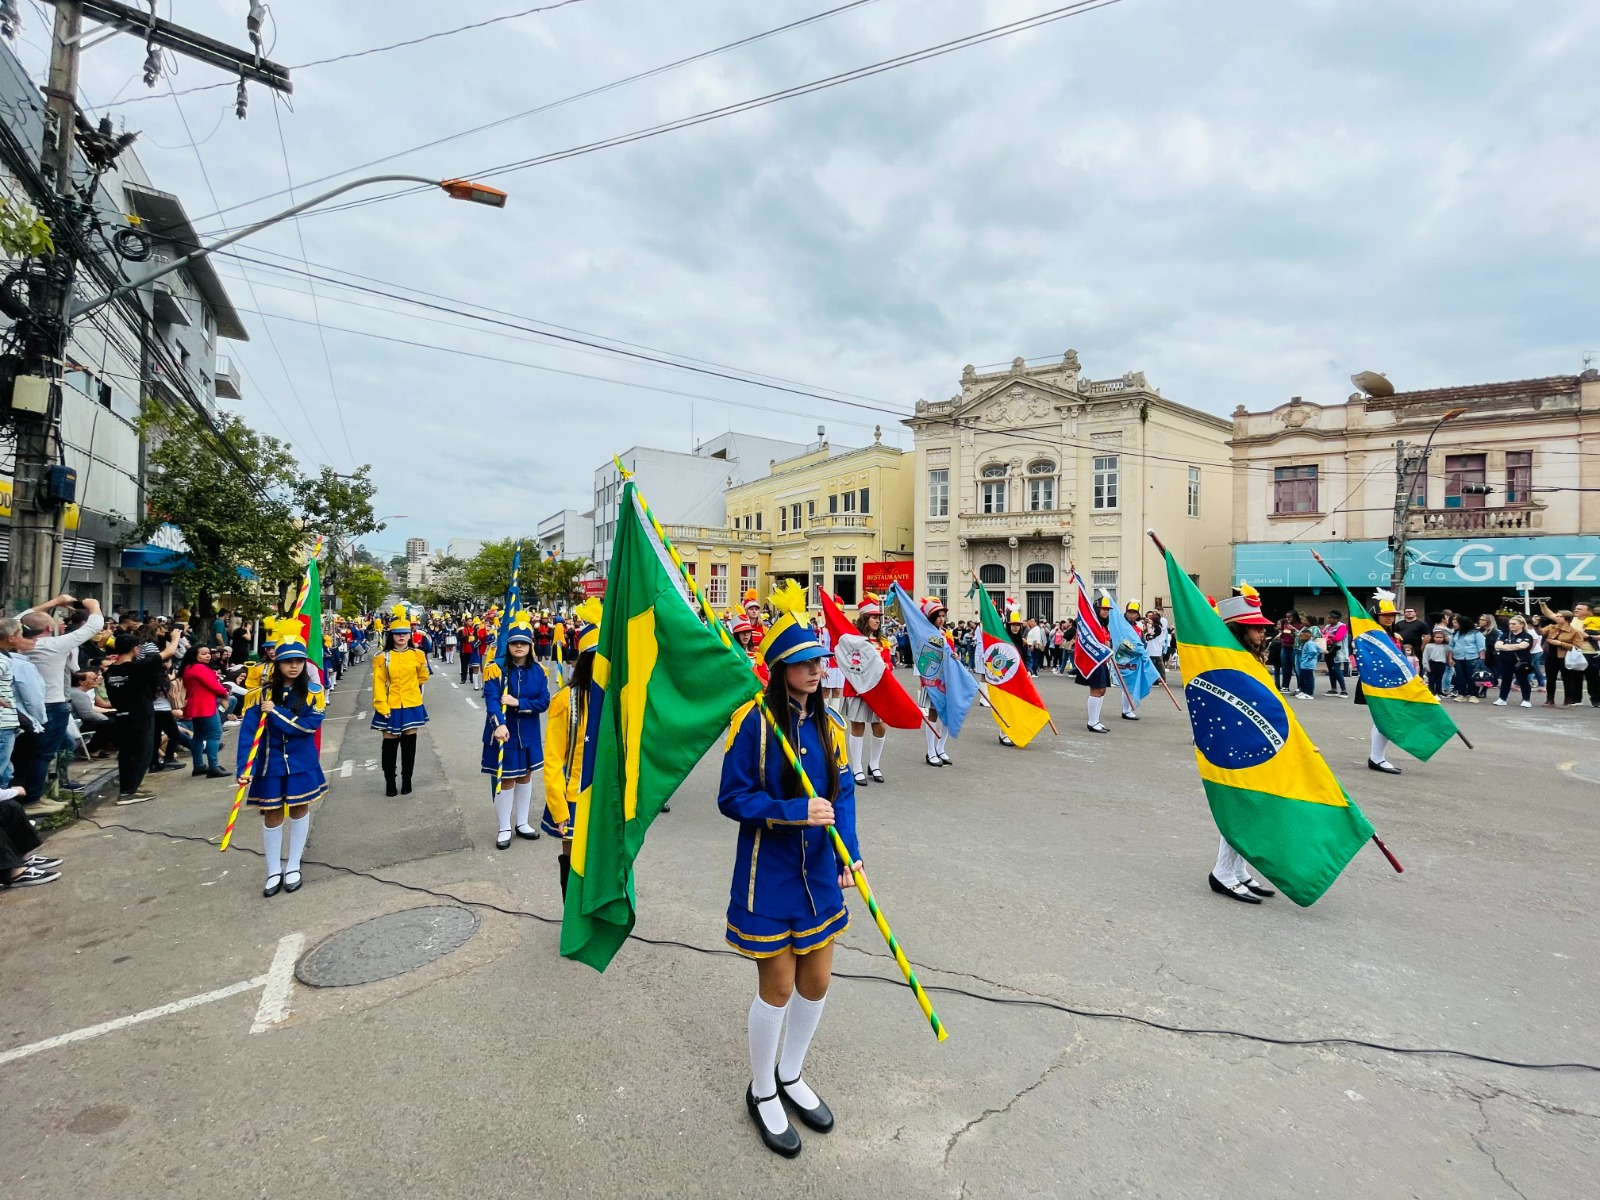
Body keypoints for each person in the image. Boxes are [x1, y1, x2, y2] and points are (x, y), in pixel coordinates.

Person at [718, 604, 860, 1157]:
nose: (816, 670)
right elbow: (731, 798)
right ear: (779, 669)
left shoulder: (831, 724)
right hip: (767, 873)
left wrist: (851, 854)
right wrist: (790, 810)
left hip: (820, 872)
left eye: (819, 661)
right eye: (803, 664)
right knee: (776, 987)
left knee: (817, 981)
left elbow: (842, 793)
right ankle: (761, 1091)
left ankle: (792, 1073)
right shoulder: (753, 722)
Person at [236, 630, 326, 897]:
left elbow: (307, 727)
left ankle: (294, 864)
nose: (294, 666)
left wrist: (276, 711)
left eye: (298, 660)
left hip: (301, 762)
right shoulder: (259, 694)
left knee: (299, 809)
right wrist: (244, 769)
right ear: (278, 663)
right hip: (269, 764)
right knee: (273, 814)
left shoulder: (313, 693)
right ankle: (274, 869)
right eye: (288, 661)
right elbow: (248, 733)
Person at [1208, 585, 1278, 905]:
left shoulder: (1251, 658)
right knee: (1242, 808)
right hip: (1236, 743)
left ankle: (1238, 869)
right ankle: (1223, 872)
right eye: (1255, 628)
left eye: (1262, 628)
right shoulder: (1228, 660)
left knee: (1251, 809)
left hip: (1258, 740)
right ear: (1238, 629)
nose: (1262, 633)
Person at [19, 595, 104, 805]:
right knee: (44, 753)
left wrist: (54, 603)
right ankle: (35, 798)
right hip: (53, 704)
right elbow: (95, 624)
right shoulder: (54, 644)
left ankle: (50, 785)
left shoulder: (18, 644)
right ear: (48, 628)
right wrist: (92, 604)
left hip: (24, 706)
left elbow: (17, 619)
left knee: (58, 745)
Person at [544, 598, 601, 897]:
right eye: (599, 658)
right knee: (572, 861)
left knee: (601, 862)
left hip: (606, 795)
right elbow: (553, 760)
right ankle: (573, 924)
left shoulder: (617, 700)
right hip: (573, 796)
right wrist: (558, 806)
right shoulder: (565, 701)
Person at [481, 611, 551, 849]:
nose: (519, 646)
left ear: (530, 645)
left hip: (529, 733)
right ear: (508, 645)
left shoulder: (540, 671)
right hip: (504, 732)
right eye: (514, 643)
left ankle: (522, 823)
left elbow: (544, 702)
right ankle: (504, 827)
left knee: (525, 775)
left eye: (523, 643)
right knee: (507, 778)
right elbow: (491, 699)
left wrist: (519, 703)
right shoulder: (496, 668)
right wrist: (498, 723)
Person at [101, 629, 181, 804]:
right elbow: (168, 652)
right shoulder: (137, 667)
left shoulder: (110, 671)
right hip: (140, 715)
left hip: (121, 715)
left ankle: (128, 788)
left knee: (127, 754)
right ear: (135, 649)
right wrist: (175, 638)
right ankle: (128, 792)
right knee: (141, 753)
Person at [372, 606, 430, 796]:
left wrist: (411, 688)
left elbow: (423, 676)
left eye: (405, 633)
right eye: (397, 634)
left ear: (410, 634)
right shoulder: (382, 657)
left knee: (409, 746)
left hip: (412, 703)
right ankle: (390, 781)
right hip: (389, 704)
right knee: (389, 746)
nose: (401, 637)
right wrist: (381, 704)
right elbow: (378, 682)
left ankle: (407, 779)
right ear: (391, 636)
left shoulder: (418, 655)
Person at [839, 594, 892, 785]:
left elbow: (888, 663)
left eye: (879, 617)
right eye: (873, 617)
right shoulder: (854, 640)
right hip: (857, 689)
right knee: (858, 726)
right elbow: (848, 662)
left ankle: (874, 765)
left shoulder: (883, 642)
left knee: (880, 726)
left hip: (878, 691)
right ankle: (857, 768)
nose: (877, 620)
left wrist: (887, 667)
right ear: (864, 619)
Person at [1354, 590, 1406, 775]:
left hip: (1395, 683)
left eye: (1392, 615)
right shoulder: (1368, 636)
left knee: (1385, 719)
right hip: (1376, 682)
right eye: (1385, 615)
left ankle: (1377, 757)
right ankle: (1377, 758)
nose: (1390, 618)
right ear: (1376, 616)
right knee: (1384, 719)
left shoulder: (1394, 636)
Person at [180, 645, 233, 777]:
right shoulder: (199, 668)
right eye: (203, 654)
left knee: (198, 736)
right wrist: (225, 693)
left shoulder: (189, 667)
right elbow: (214, 685)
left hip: (195, 705)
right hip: (205, 705)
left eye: (208, 653)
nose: (208, 655)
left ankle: (198, 765)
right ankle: (214, 767)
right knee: (214, 734)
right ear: (195, 655)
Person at [917, 596, 954, 766]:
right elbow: (922, 656)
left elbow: (951, 653)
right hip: (933, 679)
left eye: (943, 616)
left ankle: (941, 748)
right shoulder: (925, 633)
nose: (942, 619)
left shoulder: (946, 633)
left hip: (947, 679)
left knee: (947, 714)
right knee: (933, 713)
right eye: (938, 616)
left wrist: (954, 655)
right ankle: (930, 751)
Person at [1492, 616, 1534, 707]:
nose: (1511, 625)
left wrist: (1506, 646)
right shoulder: (1505, 635)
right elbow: (1497, 645)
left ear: (1521, 625)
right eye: (1510, 624)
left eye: (1514, 624)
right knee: (1505, 679)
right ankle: (1502, 698)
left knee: (1522, 680)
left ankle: (1526, 699)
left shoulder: (1527, 636)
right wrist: (1513, 646)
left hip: (1521, 661)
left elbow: (1522, 646)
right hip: (1505, 660)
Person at [1448, 614, 1486, 703]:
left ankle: (1473, 695)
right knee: (1460, 676)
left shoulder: (1476, 633)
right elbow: (1451, 647)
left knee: (1472, 677)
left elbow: (1481, 647)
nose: (1455, 624)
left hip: (1473, 657)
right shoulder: (1455, 634)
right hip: (1458, 657)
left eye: (1457, 623)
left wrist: (1482, 659)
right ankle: (1461, 694)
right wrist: (1450, 658)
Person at [732, 617, 770, 686]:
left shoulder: (757, 656)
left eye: (748, 631)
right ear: (737, 635)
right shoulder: (732, 654)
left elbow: (765, 677)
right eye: (742, 632)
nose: (746, 634)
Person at [1324, 609, 1350, 697]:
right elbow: (1322, 634)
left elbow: (1338, 637)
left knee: (1336, 669)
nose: (1329, 620)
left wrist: (1329, 636)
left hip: (1338, 650)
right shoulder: (1327, 626)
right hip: (1328, 649)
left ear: (1336, 619)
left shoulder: (1342, 626)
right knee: (1331, 669)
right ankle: (1333, 689)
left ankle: (1344, 690)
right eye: (1328, 618)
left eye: (1331, 618)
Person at [1422, 629, 1451, 697]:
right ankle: (1432, 692)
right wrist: (1426, 665)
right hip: (1432, 663)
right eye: (1437, 637)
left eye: (1441, 637)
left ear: (1443, 638)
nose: (1439, 639)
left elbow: (1447, 655)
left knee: (1439, 678)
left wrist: (1448, 662)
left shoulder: (1446, 647)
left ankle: (1438, 691)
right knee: (1431, 679)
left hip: (1441, 664)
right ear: (1433, 638)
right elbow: (1425, 656)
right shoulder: (1429, 646)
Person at [1294, 627, 1320, 699]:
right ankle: (1304, 691)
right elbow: (1318, 650)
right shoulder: (1307, 643)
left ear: (1307, 636)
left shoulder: (1309, 644)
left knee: (1308, 679)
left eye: (1301, 636)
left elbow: (1314, 652)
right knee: (1303, 678)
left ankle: (1309, 693)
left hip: (1308, 665)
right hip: (1305, 664)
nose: (1300, 637)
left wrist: (1307, 659)